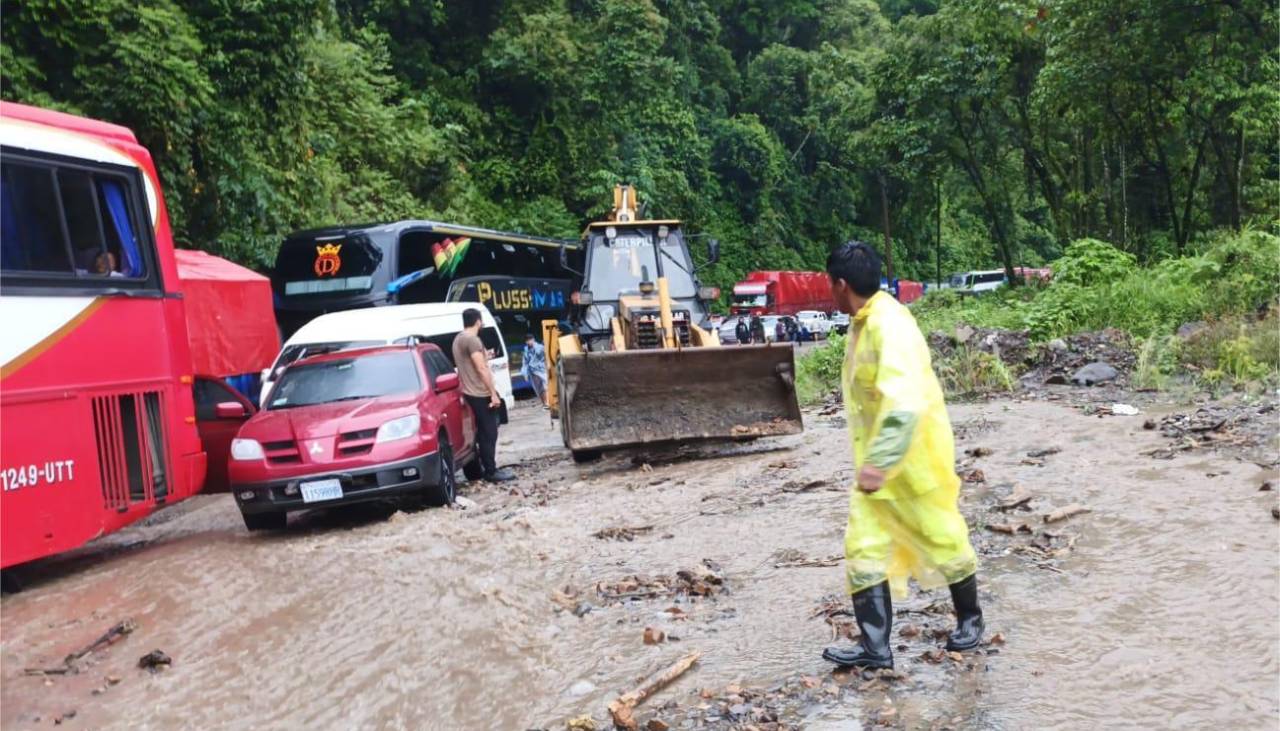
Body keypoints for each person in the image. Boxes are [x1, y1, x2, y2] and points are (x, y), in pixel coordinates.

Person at [821, 241, 983, 670]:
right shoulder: (864, 321)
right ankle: (875, 648)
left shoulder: (888, 325)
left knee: (943, 537)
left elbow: (905, 402)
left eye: (829, 285)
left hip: (913, 462)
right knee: (863, 547)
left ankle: (971, 619)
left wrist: (881, 461)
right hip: (876, 466)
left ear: (840, 284)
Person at [452, 309, 515, 482]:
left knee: (480, 434)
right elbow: (481, 368)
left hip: (468, 392)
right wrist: (493, 393)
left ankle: (480, 469)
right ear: (478, 321)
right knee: (489, 433)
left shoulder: (458, 339)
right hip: (479, 392)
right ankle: (491, 471)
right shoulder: (472, 340)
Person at [521, 332, 548, 408]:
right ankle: (544, 403)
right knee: (539, 389)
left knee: (545, 386)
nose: (529, 342)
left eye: (530, 340)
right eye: (527, 340)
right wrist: (524, 374)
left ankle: (547, 403)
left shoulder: (539, 347)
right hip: (533, 372)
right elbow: (525, 362)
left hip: (542, 370)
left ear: (533, 339)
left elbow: (544, 353)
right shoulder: (526, 350)